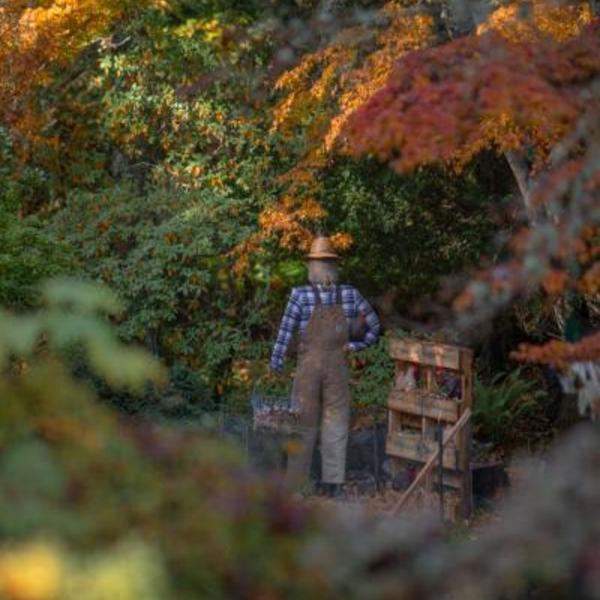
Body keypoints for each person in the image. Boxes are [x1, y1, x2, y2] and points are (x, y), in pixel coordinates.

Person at [270, 236, 380, 496]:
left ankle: (297, 487)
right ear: (333, 266)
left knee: (302, 424)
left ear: (313, 267)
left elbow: (285, 333)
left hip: (309, 368)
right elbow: (374, 327)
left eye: (312, 264)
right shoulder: (350, 294)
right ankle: (334, 486)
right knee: (336, 424)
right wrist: (354, 347)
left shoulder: (300, 294)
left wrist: (275, 364)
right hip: (337, 368)